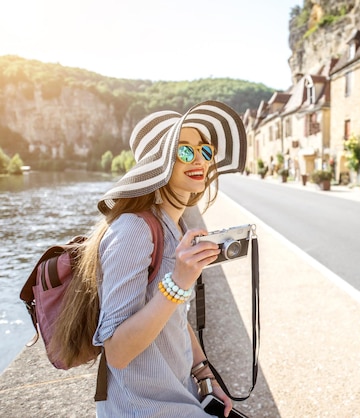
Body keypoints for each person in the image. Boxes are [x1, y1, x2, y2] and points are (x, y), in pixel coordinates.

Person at [52, 100, 247, 417]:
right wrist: (179, 282)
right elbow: (116, 352)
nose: (198, 158)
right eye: (184, 151)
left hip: (181, 395)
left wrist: (206, 377)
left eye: (205, 150)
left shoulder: (174, 225)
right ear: (158, 163)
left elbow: (174, 319)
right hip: (143, 408)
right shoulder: (133, 230)